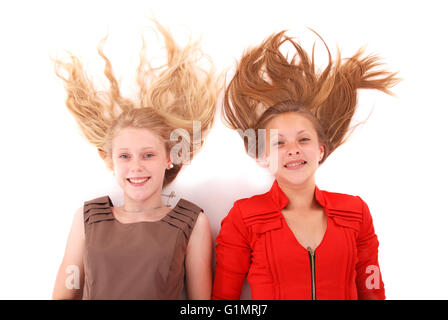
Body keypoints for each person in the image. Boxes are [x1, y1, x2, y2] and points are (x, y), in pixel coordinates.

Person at [212, 30, 399, 300]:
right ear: (263, 157)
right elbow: (224, 301)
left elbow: (373, 292)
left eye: (303, 139)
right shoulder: (244, 217)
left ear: (321, 150)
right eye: (279, 143)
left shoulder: (355, 212)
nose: (293, 150)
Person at [51, 21, 220, 299]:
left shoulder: (192, 222)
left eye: (149, 155)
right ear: (111, 161)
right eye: (125, 156)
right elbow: (65, 292)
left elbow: (200, 304)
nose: (136, 166)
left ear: (169, 158)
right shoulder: (87, 219)